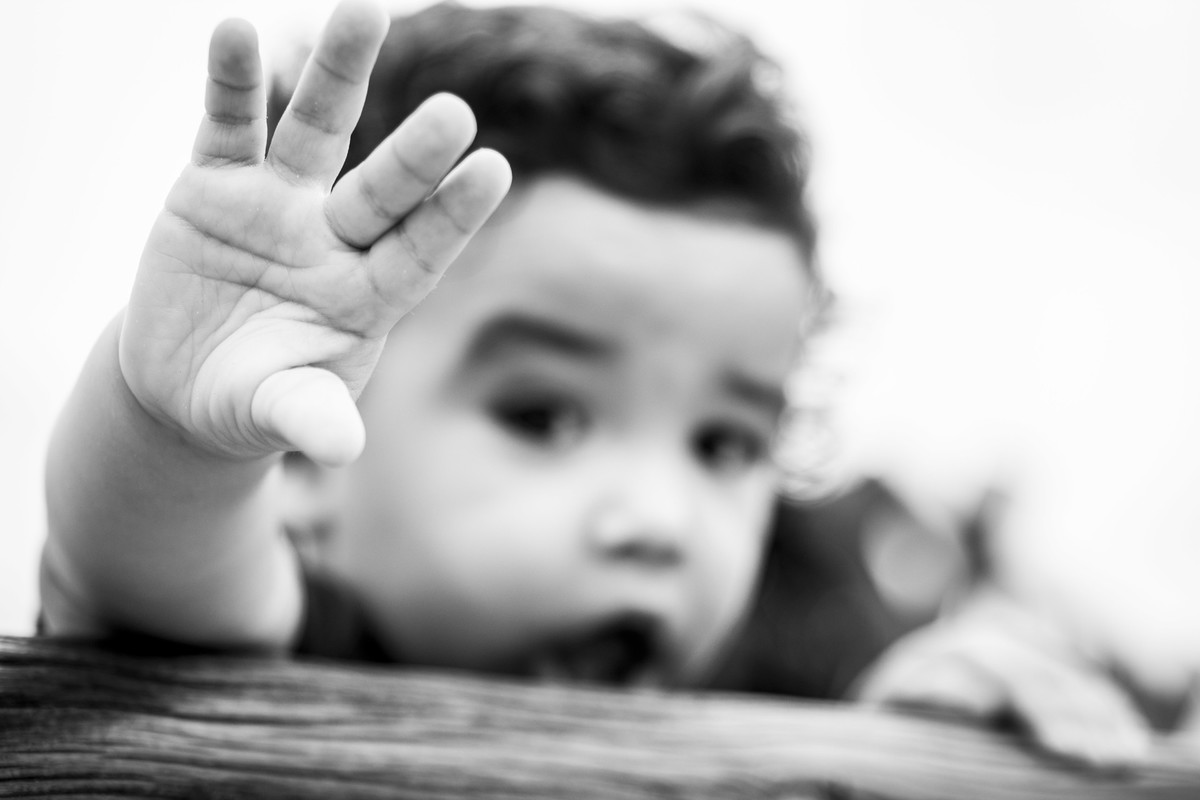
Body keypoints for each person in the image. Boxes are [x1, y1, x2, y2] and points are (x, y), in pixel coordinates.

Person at [39, 0, 1150, 767]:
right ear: (298, 470)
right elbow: (149, 559)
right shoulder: (293, 641)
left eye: (724, 444)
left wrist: (889, 749)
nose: (660, 521)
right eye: (545, 417)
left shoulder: (743, 705)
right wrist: (174, 434)